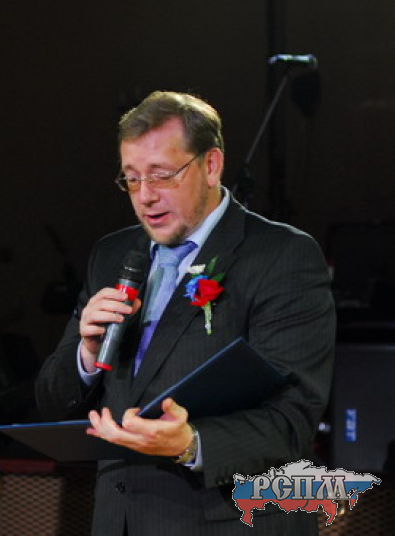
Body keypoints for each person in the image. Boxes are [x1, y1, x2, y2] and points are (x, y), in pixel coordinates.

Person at [35, 91, 335, 535]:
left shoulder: (281, 255)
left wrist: (191, 442)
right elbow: (51, 399)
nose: (145, 196)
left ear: (211, 165)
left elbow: (292, 423)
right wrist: (86, 354)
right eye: (131, 179)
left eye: (162, 176)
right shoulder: (113, 254)